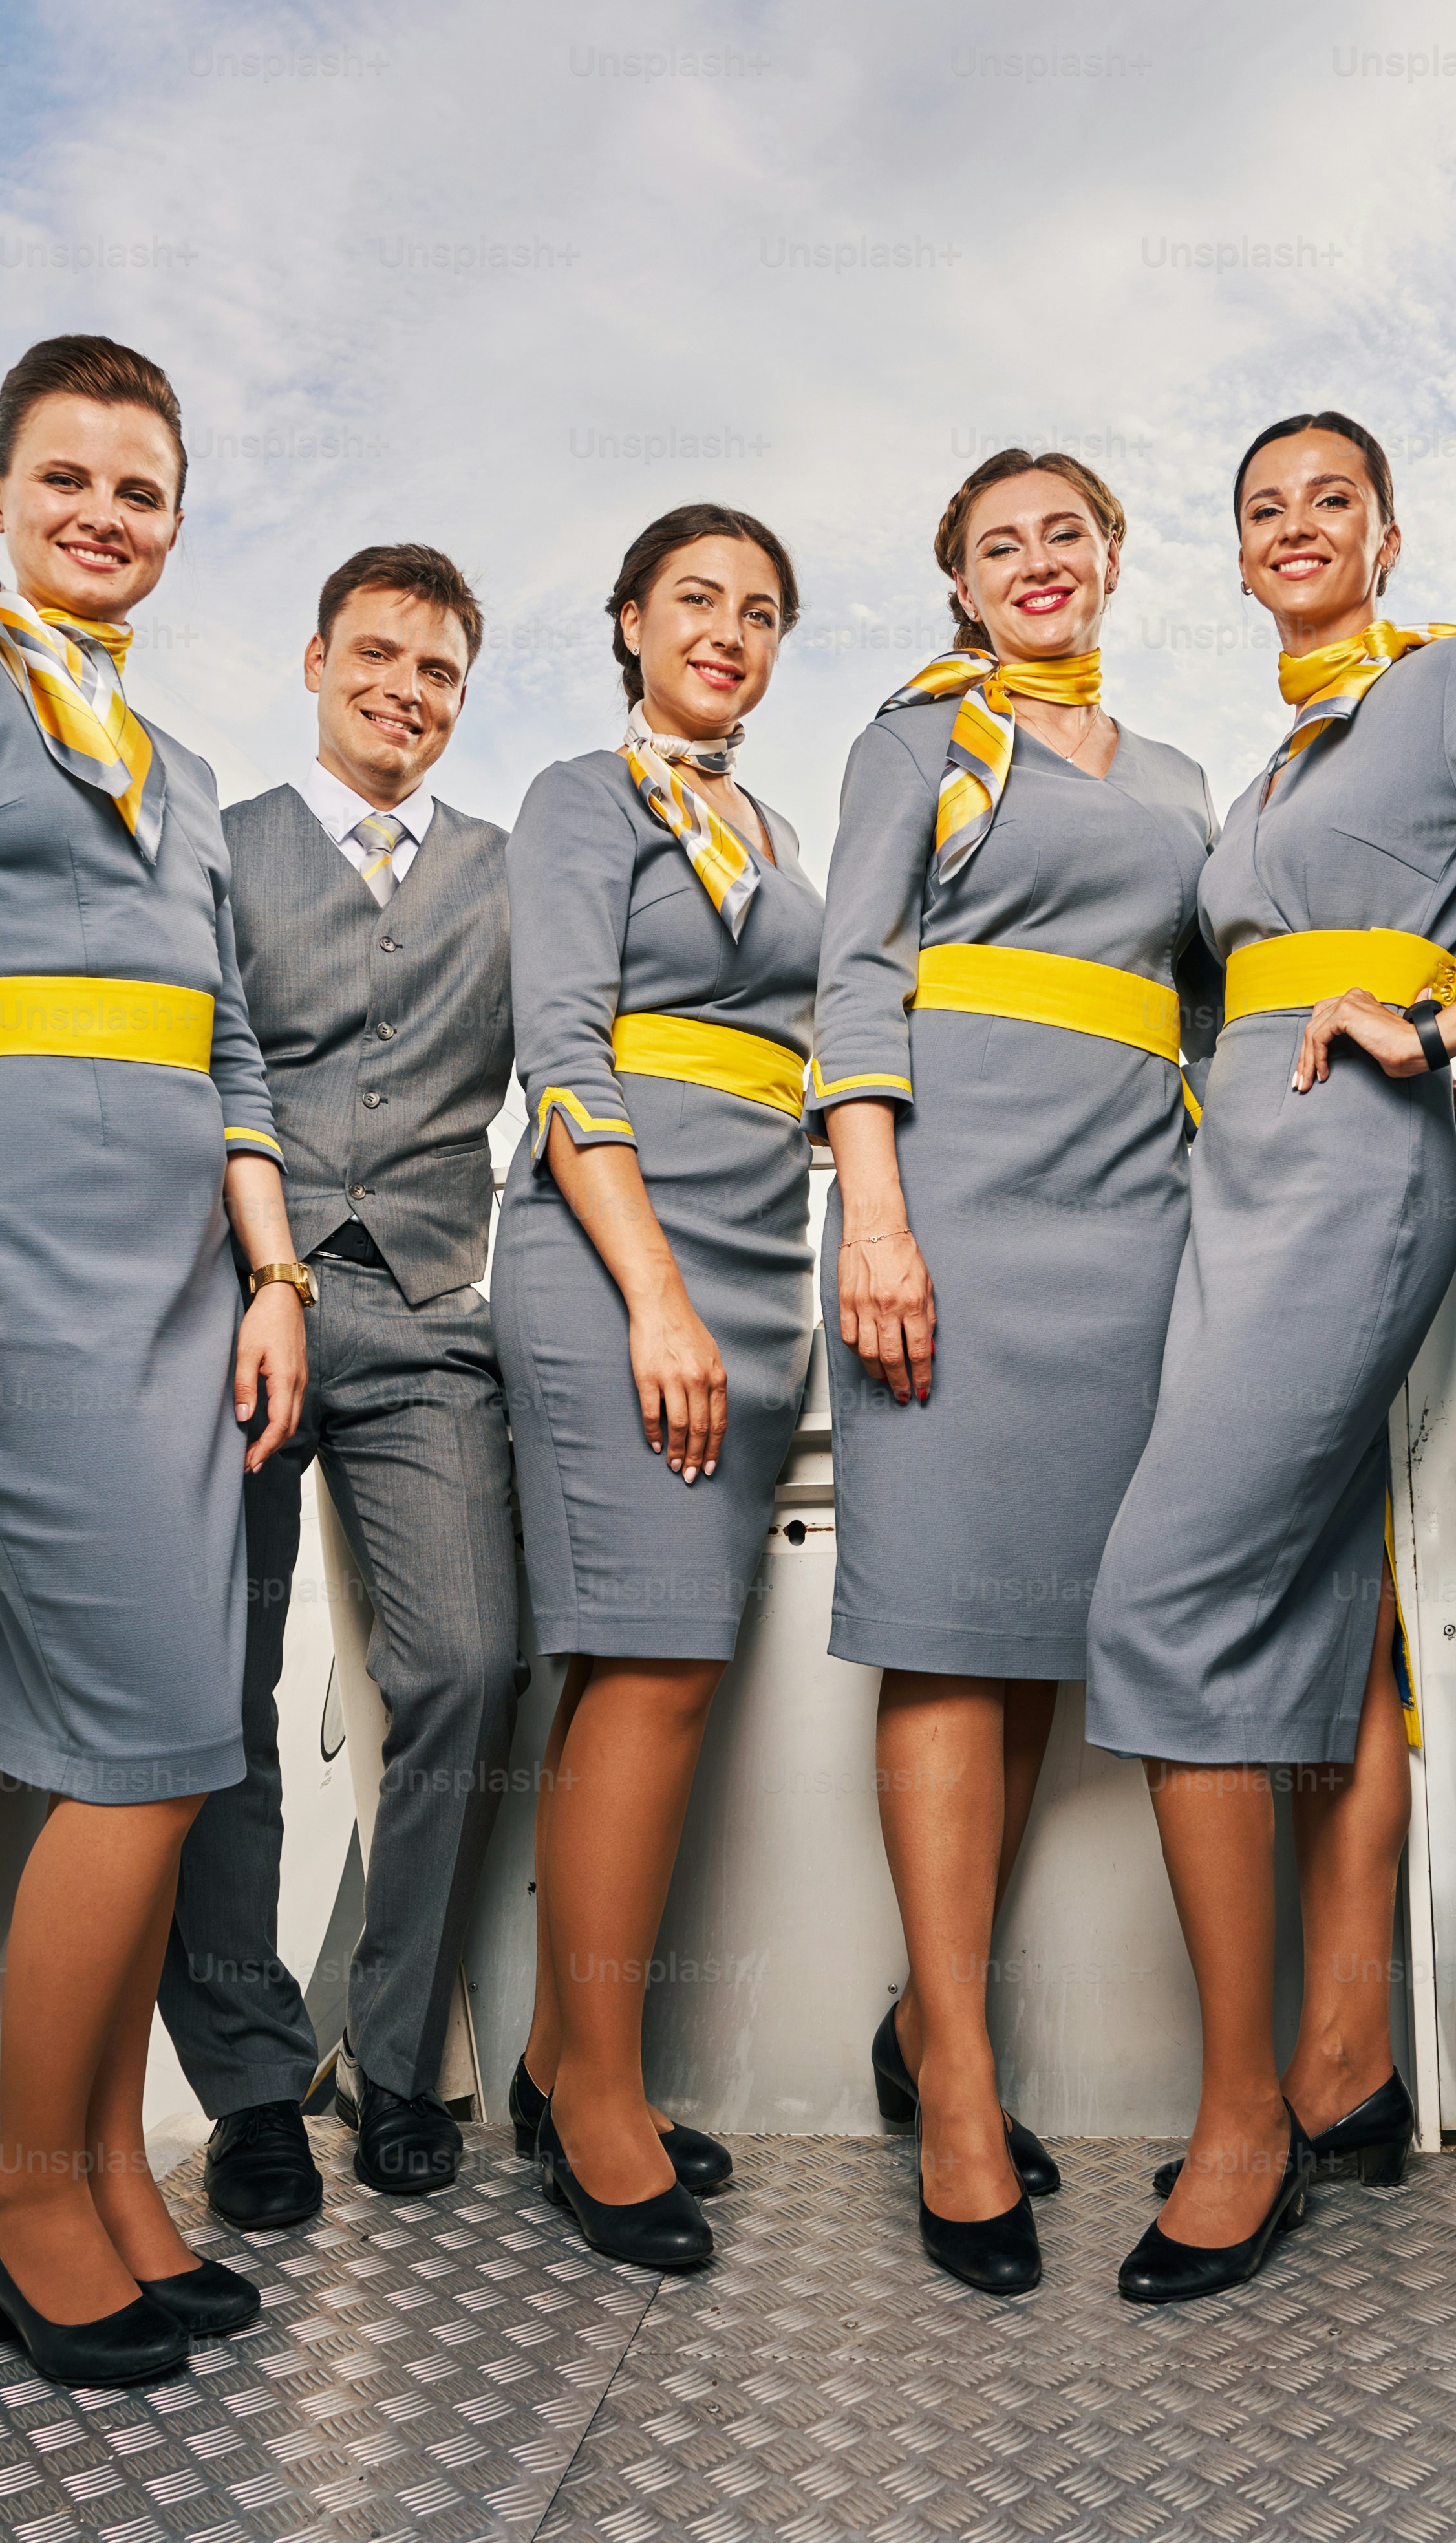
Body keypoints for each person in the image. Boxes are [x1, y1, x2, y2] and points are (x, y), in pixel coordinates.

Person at [1084, 413, 1456, 2306]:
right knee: (1329, 1617)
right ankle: (1347, 2064)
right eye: (1260, 508)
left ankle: (1241, 2119)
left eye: (1327, 501)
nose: (1293, 528)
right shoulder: (1277, 758)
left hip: (1352, 1179)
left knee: (1159, 1606)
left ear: (1387, 530)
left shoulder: (1448, 684)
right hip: (1229, 1187)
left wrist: (1444, 1016)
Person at [0, 336, 306, 2386]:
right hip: (22, 1281)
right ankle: (26, 2195)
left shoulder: (178, 766)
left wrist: (275, 1277)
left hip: (189, 1299)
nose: (104, 516)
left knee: (167, 1759)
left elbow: (230, 1047)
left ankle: (111, 2172)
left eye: (141, 490)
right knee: (156, 1746)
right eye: (69, 479)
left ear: (176, 524)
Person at [811, 449, 1216, 2295]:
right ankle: (960, 2086)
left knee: (1043, 1626)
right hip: (951, 1217)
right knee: (942, 1628)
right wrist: (876, 1225)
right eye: (999, 546)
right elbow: (854, 981)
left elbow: (1205, 1007)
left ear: (1113, 558)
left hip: (1131, 1231)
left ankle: (926, 2026)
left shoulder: (1183, 780)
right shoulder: (914, 742)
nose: (1037, 563)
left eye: (1067, 533)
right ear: (960, 585)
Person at [160, 545, 522, 2227]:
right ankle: (247, 2087)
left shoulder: (512, 873)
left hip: (432, 1310)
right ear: (314, 662)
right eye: (376, 655)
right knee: (219, 1696)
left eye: (437, 671)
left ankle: (394, 2058)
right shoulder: (217, 846)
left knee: (467, 1664)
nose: (404, 691)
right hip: (239, 1305)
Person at [495, 504, 820, 2270]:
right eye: (697, 600)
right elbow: (562, 1052)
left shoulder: (774, 829)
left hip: (758, 1252)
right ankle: (601, 2110)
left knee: (642, 1667)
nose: (728, 632)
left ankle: (566, 2061)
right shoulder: (580, 798)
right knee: (653, 1662)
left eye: (761, 612)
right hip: (622, 1258)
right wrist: (657, 1298)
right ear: (628, 620)